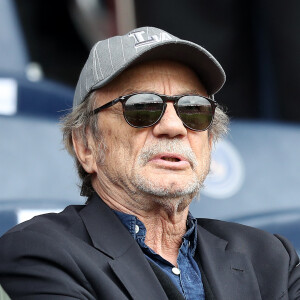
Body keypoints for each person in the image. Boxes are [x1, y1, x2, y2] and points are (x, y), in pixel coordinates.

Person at [0, 26, 299, 300]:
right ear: (86, 145)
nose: (174, 126)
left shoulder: (272, 259)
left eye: (193, 109)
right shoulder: (41, 252)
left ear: (210, 142)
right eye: (141, 107)